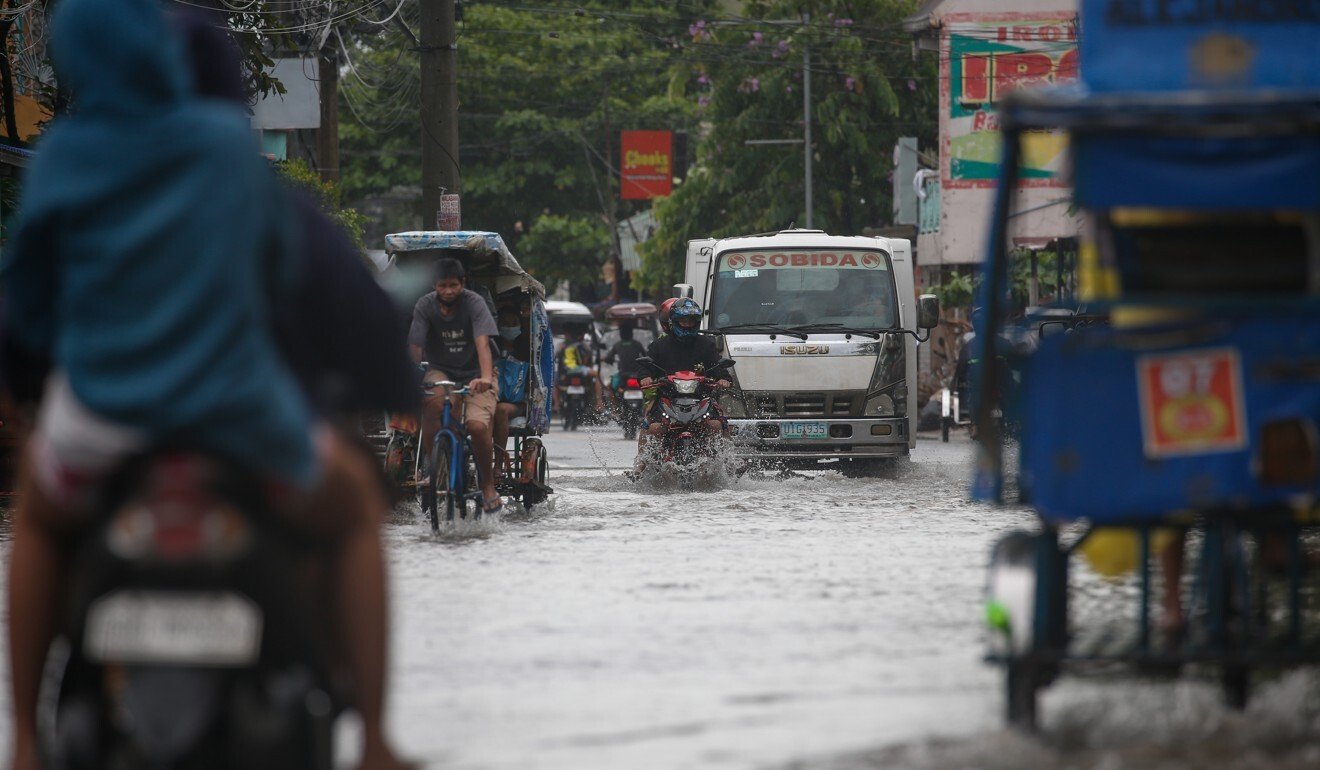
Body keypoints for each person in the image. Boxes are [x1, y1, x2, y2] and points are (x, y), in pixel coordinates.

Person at [1, 3, 412, 770]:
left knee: (38, 518)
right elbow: (290, 273)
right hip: (241, 420)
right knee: (356, 506)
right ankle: (380, 742)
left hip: (100, 421)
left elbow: (24, 300)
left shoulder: (63, 155)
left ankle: (23, 740)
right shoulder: (225, 147)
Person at [407, 257, 503, 515]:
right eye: (442, 286)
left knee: (477, 425)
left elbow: (483, 343)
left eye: (453, 285)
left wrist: (484, 377)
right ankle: (435, 470)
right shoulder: (425, 305)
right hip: (441, 370)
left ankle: (487, 485)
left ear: (462, 283)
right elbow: (415, 345)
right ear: (434, 285)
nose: (448, 291)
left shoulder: (475, 303)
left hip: (477, 373)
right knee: (430, 403)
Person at [636, 298, 732, 459]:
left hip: (701, 399)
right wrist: (645, 377)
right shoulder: (659, 346)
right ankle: (641, 463)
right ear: (673, 321)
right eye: (683, 320)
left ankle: (727, 461)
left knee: (717, 424)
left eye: (691, 320)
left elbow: (718, 366)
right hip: (668, 399)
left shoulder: (706, 344)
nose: (687, 324)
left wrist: (724, 379)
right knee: (652, 427)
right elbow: (645, 366)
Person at [492, 296, 532, 481]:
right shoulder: (491, 346)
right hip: (489, 398)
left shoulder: (526, 346)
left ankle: (497, 466)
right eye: (505, 323)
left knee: (500, 411)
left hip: (516, 403)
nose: (509, 327)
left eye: (513, 323)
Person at [556, 323, 605, 412]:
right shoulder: (581, 345)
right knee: (596, 375)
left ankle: (556, 405)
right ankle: (599, 402)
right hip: (580, 369)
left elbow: (556, 358)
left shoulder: (562, 345)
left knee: (555, 383)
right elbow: (587, 357)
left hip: (565, 371)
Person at [604, 323, 647, 392]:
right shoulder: (637, 344)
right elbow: (646, 356)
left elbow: (608, 357)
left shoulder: (617, 345)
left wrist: (605, 359)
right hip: (637, 374)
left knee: (609, 387)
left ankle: (614, 403)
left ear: (621, 334)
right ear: (631, 333)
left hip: (622, 374)